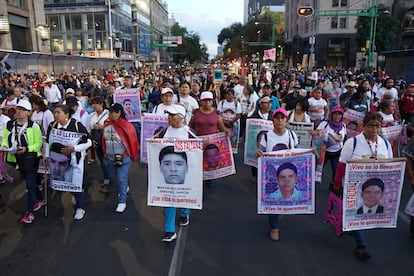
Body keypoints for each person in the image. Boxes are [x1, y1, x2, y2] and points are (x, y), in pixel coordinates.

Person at [334, 112, 392, 260]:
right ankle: (361, 245)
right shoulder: (352, 143)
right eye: (370, 125)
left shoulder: (385, 144)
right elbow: (341, 165)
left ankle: (351, 227)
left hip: (374, 187)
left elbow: (391, 165)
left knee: (364, 212)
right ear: (363, 126)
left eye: (377, 125)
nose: (374, 128)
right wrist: (336, 183)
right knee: (357, 212)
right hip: (354, 186)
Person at [153, 104, 197, 242]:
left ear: (181, 117)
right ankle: (169, 230)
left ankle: (184, 213)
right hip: (167, 173)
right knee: (168, 199)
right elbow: (154, 143)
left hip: (184, 174)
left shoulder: (188, 132)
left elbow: (197, 151)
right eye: (169, 115)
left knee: (182, 195)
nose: (169, 118)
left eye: (172, 115)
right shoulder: (164, 131)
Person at [255, 107, 299, 241]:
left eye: (282, 118)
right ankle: (274, 228)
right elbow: (260, 152)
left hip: (287, 174)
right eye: (277, 118)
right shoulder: (267, 136)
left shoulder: (292, 135)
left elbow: (297, 152)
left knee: (283, 199)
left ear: (286, 120)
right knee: (272, 201)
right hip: (271, 174)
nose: (280, 121)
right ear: (273, 120)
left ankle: (279, 210)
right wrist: (258, 154)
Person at [44, 104, 92, 221]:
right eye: (55, 112)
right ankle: (74, 196)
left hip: (74, 160)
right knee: (63, 182)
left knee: (75, 183)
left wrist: (74, 149)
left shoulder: (76, 125)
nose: (55, 115)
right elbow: (47, 141)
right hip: (57, 160)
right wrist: (46, 155)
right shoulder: (52, 125)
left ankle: (80, 207)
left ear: (66, 114)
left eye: (58, 112)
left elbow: (89, 142)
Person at [1, 100, 43, 224]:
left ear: (29, 113)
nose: (20, 112)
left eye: (23, 110)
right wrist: (5, 147)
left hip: (31, 159)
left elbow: (38, 143)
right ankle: (41, 199)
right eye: (18, 109)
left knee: (30, 185)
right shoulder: (9, 124)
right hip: (16, 159)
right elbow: (5, 139)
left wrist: (27, 149)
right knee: (30, 181)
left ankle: (29, 213)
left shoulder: (33, 126)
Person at [102, 103, 139, 213]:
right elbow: (104, 140)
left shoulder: (126, 125)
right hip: (111, 157)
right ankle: (124, 187)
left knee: (121, 178)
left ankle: (122, 201)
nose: (111, 114)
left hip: (123, 157)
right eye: (110, 112)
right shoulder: (106, 125)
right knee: (117, 177)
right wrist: (105, 152)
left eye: (113, 112)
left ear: (119, 113)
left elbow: (133, 141)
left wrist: (128, 154)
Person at [309, 106, 346, 182]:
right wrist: (319, 132)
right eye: (335, 114)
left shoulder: (343, 126)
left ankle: (333, 189)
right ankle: (311, 185)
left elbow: (344, 138)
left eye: (339, 114)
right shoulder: (325, 123)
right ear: (331, 114)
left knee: (336, 171)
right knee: (317, 169)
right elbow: (313, 132)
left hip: (337, 152)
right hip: (324, 152)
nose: (337, 116)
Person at [87, 97, 110, 193]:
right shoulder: (91, 115)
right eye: (92, 104)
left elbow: (113, 126)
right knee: (102, 161)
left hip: (107, 141)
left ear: (101, 104)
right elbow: (89, 129)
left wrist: (101, 127)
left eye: (95, 104)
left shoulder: (108, 113)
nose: (93, 106)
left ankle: (107, 181)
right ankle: (107, 177)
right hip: (97, 142)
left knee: (107, 161)